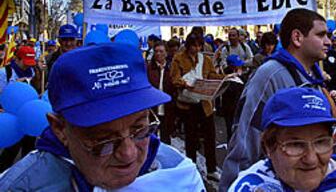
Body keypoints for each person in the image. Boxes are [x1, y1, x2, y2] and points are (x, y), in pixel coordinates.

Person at [0, 43, 205, 191]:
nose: (128, 154)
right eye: (103, 139)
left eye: (140, 129)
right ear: (60, 129)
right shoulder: (21, 187)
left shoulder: (177, 171)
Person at [219, 9, 336, 190]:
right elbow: (246, 141)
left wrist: (332, 137)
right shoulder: (270, 75)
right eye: (321, 35)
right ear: (297, 37)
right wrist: (239, 185)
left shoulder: (314, 77)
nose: (328, 41)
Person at [229, 87, 336, 192]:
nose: (311, 159)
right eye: (296, 145)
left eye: (321, 142)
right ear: (268, 147)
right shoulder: (249, 186)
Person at [170, 33, 223, 181]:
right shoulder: (179, 58)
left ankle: (212, 169)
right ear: (188, 45)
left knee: (210, 137)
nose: (197, 48)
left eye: (199, 45)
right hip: (188, 104)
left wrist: (225, 78)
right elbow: (174, 78)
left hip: (205, 103)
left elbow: (212, 75)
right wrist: (185, 83)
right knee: (191, 138)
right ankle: (191, 168)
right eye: (194, 45)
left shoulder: (205, 59)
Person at [147, 41, 177, 144]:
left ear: (166, 53)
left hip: (167, 108)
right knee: (151, 137)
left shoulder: (171, 68)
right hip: (152, 108)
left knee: (166, 137)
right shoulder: (149, 69)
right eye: (156, 51)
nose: (158, 54)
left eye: (161, 51)